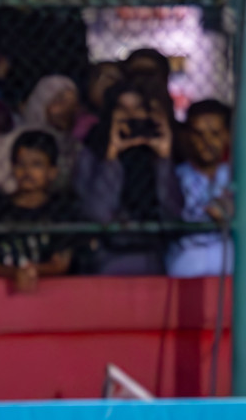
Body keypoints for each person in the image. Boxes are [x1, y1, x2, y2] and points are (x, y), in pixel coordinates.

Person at [74, 79, 181, 275]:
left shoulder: (156, 154)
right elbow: (98, 214)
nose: (131, 116)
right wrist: (112, 157)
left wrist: (164, 159)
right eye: (122, 109)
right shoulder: (92, 152)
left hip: (152, 255)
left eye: (138, 108)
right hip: (107, 258)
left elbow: (172, 212)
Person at [0, 130, 81, 291]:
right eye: (20, 164)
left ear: (52, 172)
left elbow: (61, 265)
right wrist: (16, 273)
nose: (27, 172)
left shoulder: (62, 208)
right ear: (12, 167)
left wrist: (30, 272)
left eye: (36, 164)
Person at [0, 74, 79, 195]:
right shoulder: (11, 140)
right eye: (60, 101)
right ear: (42, 102)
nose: (68, 109)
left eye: (72, 102)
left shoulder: (74, 147)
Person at [167, 99, 234, 278]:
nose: (207, 141)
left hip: (233, 275)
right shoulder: (174, 177)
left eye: (215, 133)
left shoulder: (240, 179)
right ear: (187, 136)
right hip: (183, 273)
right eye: (199, 134)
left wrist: (233, 217)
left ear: (228, 135)